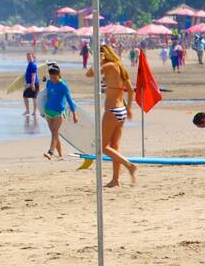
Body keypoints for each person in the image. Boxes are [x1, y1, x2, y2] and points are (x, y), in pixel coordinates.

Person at [85, 45, 137, 187]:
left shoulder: (109, 66)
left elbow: (89, 74)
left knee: (103, 147)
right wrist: (129, 108)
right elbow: (131, 90)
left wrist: (98, 60)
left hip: (112, 111)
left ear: (104, 54)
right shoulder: (120, 67)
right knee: (114, 147)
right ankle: (115, 180)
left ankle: (129, 165)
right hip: (121, 110)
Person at [40, 63, 79, 160]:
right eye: (51, 77)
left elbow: (69, 99)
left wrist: (74, 113)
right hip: (48, 111)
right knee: (55, 134)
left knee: (55, 132)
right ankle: (61, 155)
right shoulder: (49, 82)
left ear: (59, 75)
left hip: (59, 112)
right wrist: (42, 110)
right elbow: (46, 96)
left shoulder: (63, 85)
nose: (52, 79)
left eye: (54, 77)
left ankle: (50, 152)